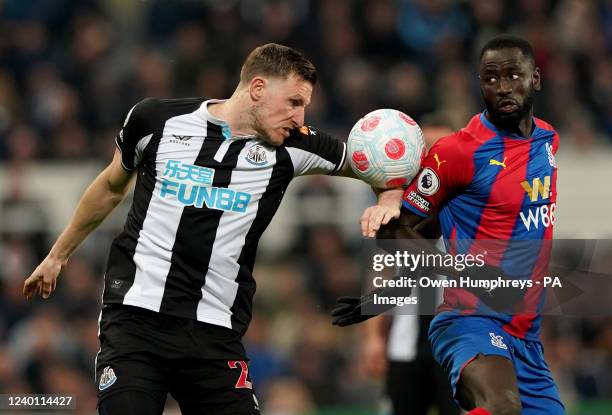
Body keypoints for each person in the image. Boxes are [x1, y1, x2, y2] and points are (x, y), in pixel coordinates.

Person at [22, 43, 374, 415]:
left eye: (304, 106)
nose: (300, 115)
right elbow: (111, 187)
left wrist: (385, 199)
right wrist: (57, 256)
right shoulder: (155, 120)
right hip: (136, 318)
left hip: (213, 333)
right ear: (257, 89)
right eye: (293, 102)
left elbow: (376, 166)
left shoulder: (297, 145)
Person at [336, 35, 564, 415]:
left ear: (536, 78)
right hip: (469, 320)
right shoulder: (458, 153)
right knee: (501, 408)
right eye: (491, 78)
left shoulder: (548, 140)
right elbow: (399, 231)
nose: (503, 87)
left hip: (526, 336)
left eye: (513, 75)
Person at [362, 121, 459, 415]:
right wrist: (373, 338)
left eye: (441, 150)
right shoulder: (397, 208)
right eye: (427, 151)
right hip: (404, 347)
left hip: (457, 346)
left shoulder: (471, 206)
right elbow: (380, 274)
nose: (434, 160)